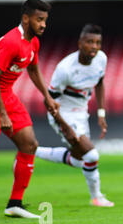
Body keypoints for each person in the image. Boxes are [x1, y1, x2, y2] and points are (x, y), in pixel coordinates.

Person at [0, 0, 59, 218]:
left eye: (45, 20)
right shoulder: (11, 41)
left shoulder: (33, 42)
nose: (43, 25)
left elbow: (33, 69)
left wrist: (47, 97)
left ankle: (15, 203)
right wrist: (2, 113)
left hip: (7, 96)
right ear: (25, 18)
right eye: (39, 20)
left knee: (29, 144)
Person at [35, 24, 114, 207]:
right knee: (92, 155)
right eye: (89, 42)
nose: (94, 46)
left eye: (97, 42)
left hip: (81, 113)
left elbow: (100, 83)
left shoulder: (101, 59)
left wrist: (101, 113)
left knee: (80, 161)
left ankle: (33, 151)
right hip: (62, 114)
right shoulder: (65, 69)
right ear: (80, 43)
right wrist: (65, 126)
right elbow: (49, 102)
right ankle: (96, 197)